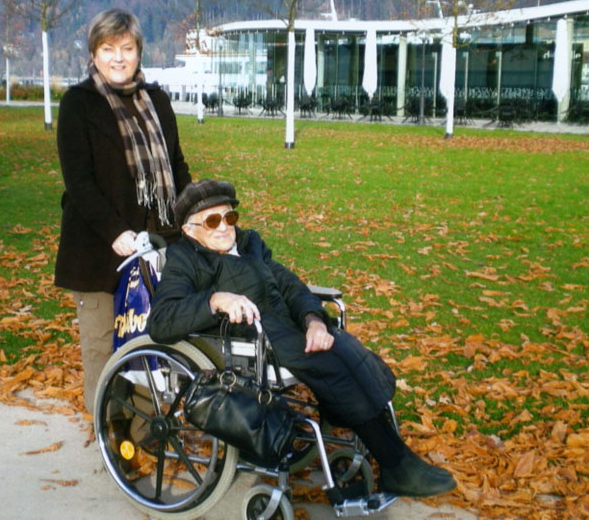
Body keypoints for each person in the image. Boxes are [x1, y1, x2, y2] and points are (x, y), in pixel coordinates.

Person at [147, 179, 457, 498]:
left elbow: (290, 286)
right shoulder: (185, 259)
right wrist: (215, 300)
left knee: (345, 346)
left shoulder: (250, 244)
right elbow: (161, 321)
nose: (225, 227)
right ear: (189, 230)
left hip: (286, 327)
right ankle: (396, 465)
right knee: (333, 366)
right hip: (249, 340)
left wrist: (314, 320)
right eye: (213, 221)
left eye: (230, 217)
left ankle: (392, 454)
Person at [54, 9, 191, 414]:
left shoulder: (157, 100)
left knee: (152, 345)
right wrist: (116, 232)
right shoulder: (79, 104)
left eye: (127, 48)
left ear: (138, 52)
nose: (118, 57)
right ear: (93, 54)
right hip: (99, 252)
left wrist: (194, 216)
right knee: (103, 351)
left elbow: (177, 166)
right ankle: (109, 433)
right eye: (108, 49)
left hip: (158, 248)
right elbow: (79, 182)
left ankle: (146, 431)